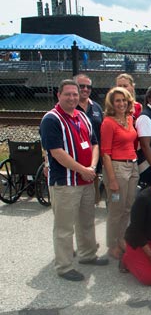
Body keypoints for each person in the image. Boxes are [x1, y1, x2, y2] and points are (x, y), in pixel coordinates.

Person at [40, 79, 108, 281]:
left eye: (75, 94)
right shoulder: (51, 119)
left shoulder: (82, 117)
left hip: (86, 180)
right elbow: (57, 153)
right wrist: (82, 170)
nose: (72, 98)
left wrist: (92, 167)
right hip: (65, 182)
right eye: (67, 94)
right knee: (64, 227)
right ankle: (64, 266)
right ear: (58, 95)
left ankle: (87, 255)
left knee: (86, 221)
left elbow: (95, 143)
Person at [101, 87, 139, 260]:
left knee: (128, 208)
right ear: (112, 103)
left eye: (124, 100)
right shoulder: (108, 123)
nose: (121, 104)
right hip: (117, 167)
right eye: (117, 100)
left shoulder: (130, 119)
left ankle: (122, 238)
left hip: (132, 166)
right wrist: (112, 179)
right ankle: (112, 244)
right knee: (116, 209)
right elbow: (106, 153)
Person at [74, 74, 104, 203]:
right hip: (75, 158)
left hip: (94, 157)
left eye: (88, 87)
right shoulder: (69, 106)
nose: (85, 89)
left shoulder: (96, 107)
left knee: (92, 197)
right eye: (82, 86)